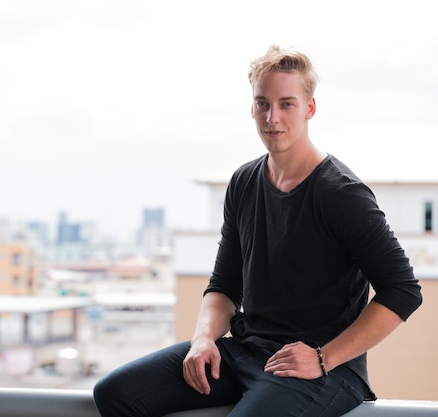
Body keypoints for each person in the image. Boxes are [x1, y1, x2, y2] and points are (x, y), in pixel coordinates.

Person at [93, 45, 423, 417]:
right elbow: (224, 285)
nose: (272, 117)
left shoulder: (341, 193)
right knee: (115, 393)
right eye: (262, 103)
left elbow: (403, 291)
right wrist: (203, 338)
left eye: (286, 104)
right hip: (247, 352)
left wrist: (323, 357)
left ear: (309, 108)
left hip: (323, 371)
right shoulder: (244, 182)